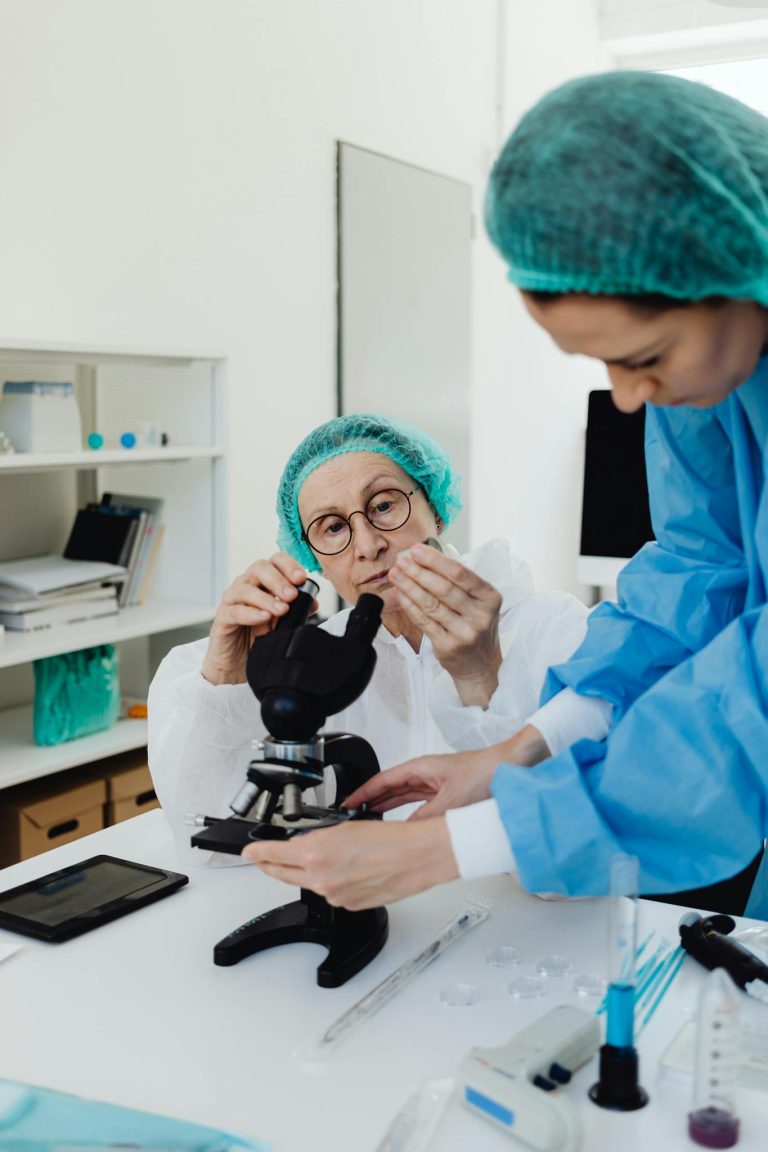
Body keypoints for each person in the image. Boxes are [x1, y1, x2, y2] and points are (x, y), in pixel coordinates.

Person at [243, 70, 768, 919]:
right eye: (331, 529)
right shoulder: (710, 374)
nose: (627, 399)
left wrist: (450, 845)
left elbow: (753, 708)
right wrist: (523, 749)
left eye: (643, 355)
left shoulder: (540, 618)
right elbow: (696, 576)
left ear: (737, 262)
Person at [148, 413, 591, 865]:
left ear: (434, 508)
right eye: (333, 527)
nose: (367, 545)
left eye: (383, 506)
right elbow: (215, 847)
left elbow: (575, 865)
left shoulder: (557, 629)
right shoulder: (322, 663)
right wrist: (225, 680)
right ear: (312, 557)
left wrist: (481, 680)